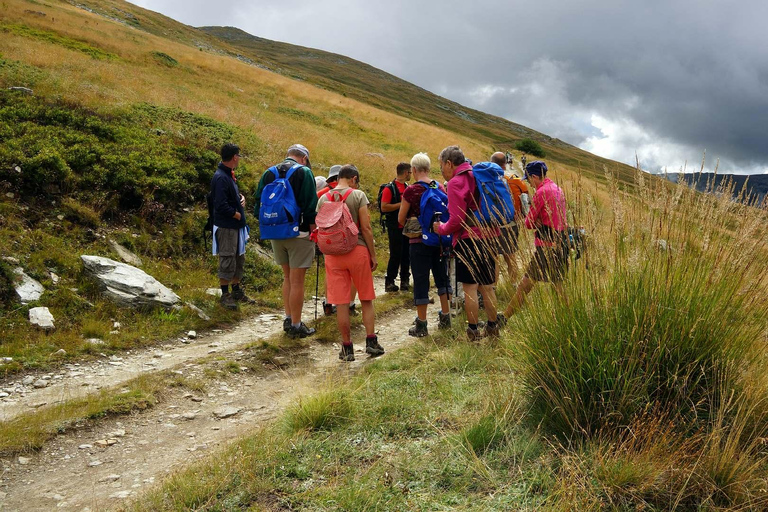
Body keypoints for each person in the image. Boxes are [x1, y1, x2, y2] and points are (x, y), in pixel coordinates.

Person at [316, 164, 383, 361]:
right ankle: (371, 341)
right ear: (353, 179)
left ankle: (347, 348)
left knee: (342, 303)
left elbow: (318, 225)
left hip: (333, 255)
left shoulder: (323, 198)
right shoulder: (357, 195)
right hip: (357, 250)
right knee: (366, 299)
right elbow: (366, 227)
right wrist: (373, 254)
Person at [433, 145, 501, 340]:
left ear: (449, 163)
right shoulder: (478, 175)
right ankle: (493, 327)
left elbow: (456, 220)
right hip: (490, 235)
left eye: (441, 167)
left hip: (469, 240)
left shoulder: (456, 182)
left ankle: (473, 332)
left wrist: (442, 228)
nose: (442, 172)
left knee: (470, 288)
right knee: (487, 286)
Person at [254, 144, 318, 338]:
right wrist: (313, 230)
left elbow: (258, 201)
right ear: (304, 158)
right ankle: (297, 325)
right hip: (298, 233)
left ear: (288, 156)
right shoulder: (304, 172)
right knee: (298, 280)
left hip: (275, 231)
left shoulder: (269, 173)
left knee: (287, 277)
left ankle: (288, 318)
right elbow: (310, 204)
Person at [504, 160, 568, 318]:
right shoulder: (557, 188)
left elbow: (528, 222)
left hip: (545, 246)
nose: (530, 184)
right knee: (558, 286)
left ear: (534, 176)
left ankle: (503, 319)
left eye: (529, 180)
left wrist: (536, 220)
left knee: (524, 286)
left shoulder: (541, 192)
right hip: (560, 243)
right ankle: (569, 318)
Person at [398, 153, 451, 337]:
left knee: (421, 279)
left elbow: (400, 218)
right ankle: (446, 316)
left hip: (418, 241)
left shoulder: (411, 191)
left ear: (413, 170)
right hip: (439, 238)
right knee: (441, 277)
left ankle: (422, 324)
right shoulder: (439, 186)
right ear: (428, 168)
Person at [210, 143, 253, 310]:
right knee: (227, 258)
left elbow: (230, 197)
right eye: (239, 156)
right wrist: (236, 214)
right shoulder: (221, 177)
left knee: (238, 258)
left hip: (236, 226)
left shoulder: (228, 175)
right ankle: (225, 294)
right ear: (235, 157)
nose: (239, 159)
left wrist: (241, 198)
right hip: (227, 226)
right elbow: (220, 204)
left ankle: (236, 290)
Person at [491, 151, 527, 282]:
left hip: (492, 224)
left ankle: (493, 288)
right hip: (511, 224)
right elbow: (525, 203)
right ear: (505, 164)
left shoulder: (487, 179)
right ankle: (513, 285)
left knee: (493, 259)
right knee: (510, 257)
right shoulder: (515, 180)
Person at [381, 163, 412, 292]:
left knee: (406, 254)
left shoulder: (407, 187)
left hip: (406, 226)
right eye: (410, 172)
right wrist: (402, 204)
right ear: (405, 173)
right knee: (395, 254)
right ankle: (390, 281)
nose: (411, 174)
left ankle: (405, 281)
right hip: (394, 226)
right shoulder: (389, 188)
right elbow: (384, 207)